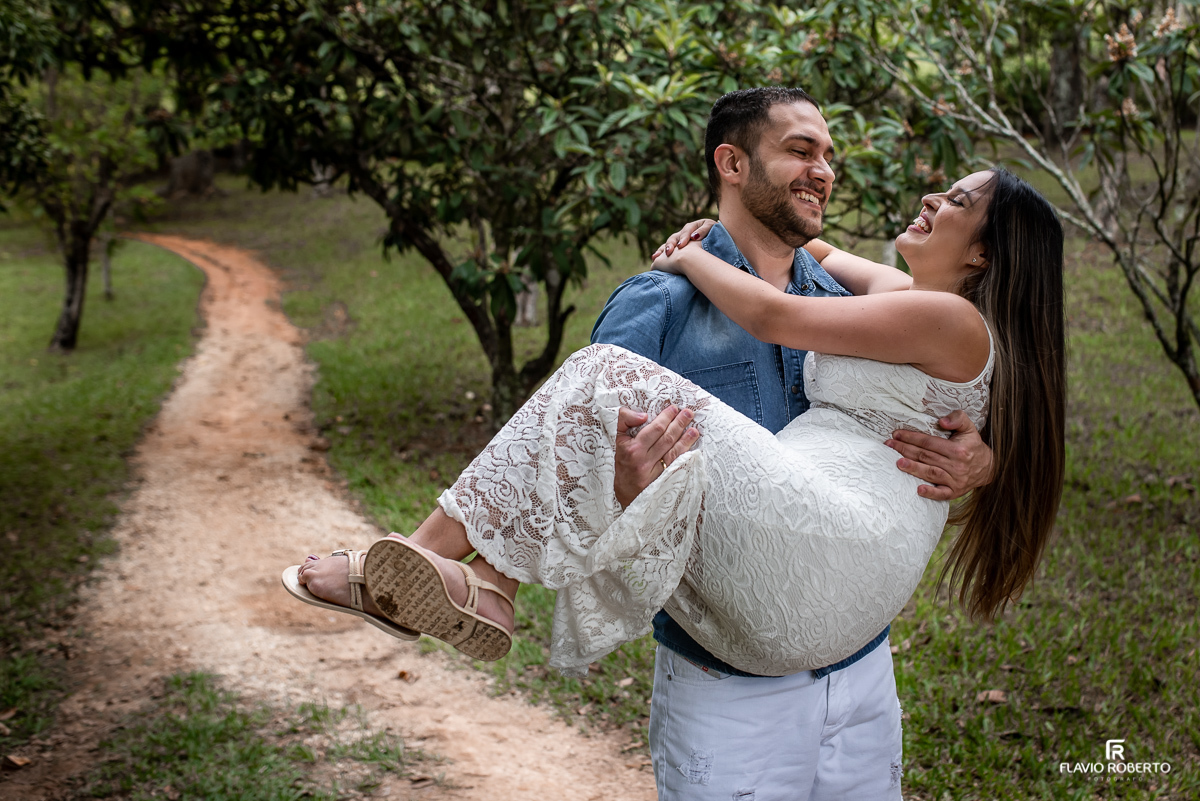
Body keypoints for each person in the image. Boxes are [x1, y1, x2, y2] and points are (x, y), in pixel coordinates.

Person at [286, 88, 1065, 798]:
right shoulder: (686, 302)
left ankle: (465, 574)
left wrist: (988, 459)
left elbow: (784, 310)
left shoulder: (888, 309)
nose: (826, 170)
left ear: (983, 256)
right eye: (802, 151)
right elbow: (592, 447)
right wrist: (626, 476)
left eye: (828, 156)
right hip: (737, 672)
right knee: (601, 378)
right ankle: (455, 573)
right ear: (732, 163)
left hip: (854, 646)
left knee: (598, 377)